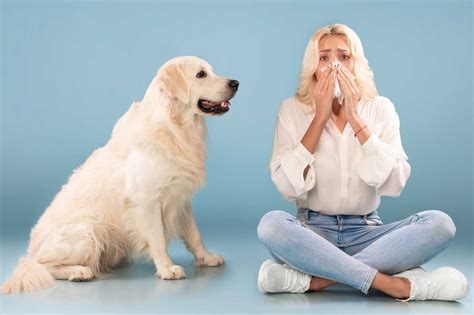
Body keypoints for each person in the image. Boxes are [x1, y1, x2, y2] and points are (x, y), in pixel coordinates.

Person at [256, 23, 469, 302]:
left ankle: (319, 280)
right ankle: (395, 285)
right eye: (324, 58)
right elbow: (287, 186)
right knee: (271, 225)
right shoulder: (292, 109)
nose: (335, 65)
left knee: (440, 224)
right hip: (311, 234)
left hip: (370, 233)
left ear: (356, 64)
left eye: (344, 57)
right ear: (313, 67)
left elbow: (395, 182)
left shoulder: (381, 107)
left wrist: (356, 118)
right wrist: (319, 119)